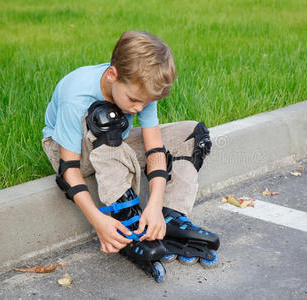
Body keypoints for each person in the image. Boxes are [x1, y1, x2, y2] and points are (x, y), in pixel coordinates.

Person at [41, 31, 219, 282]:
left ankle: (170, 217)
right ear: (113, 75)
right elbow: (68, 169)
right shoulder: (77, 94)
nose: (138, 109)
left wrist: (155, 204)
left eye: (145, 104)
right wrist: (98, 221)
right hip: (69, 151)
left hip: (113, 141)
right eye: (135, 101)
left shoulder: (141, 88)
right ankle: (128, 222)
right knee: (105, 118)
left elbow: (154, 150)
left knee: (192, 134)